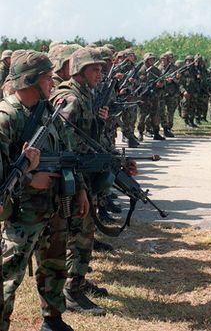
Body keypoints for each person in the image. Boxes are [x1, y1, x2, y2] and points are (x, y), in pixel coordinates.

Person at [0, 50, 89, 331]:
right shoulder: (7, 118)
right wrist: (29, 179)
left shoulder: (47, 111)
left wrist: (81, 189)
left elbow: (67, 151)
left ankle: (52, 319)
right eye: (48, 78)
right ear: (30, 81)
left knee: (54, 264)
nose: (52, 83)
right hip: (22, 211)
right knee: (8, 274)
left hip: (53, 206)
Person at [51, 47, 109, 316]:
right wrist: (79, 187)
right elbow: (65, 147)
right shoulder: (71, 98)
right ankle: (71, 293)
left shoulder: (85, 95)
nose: (100, 73)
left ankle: (78, 282)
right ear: (79, 71)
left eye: (101, 68)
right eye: (94, 69)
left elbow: (86, 138)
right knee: (80, 234)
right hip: (73, 178)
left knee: (83, 233)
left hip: (83, 174)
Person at [137, 53, 165, 141]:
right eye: (150, 59)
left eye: (153, 59)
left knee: (155, 115)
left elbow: (162, 81)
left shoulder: (156, 70)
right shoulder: (141, 70)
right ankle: (140, 133)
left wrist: (160, 85)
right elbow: (137, 83)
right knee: (142, 115)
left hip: (154, 95)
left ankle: (156, 132)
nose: (152, 61)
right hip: (144, 96)